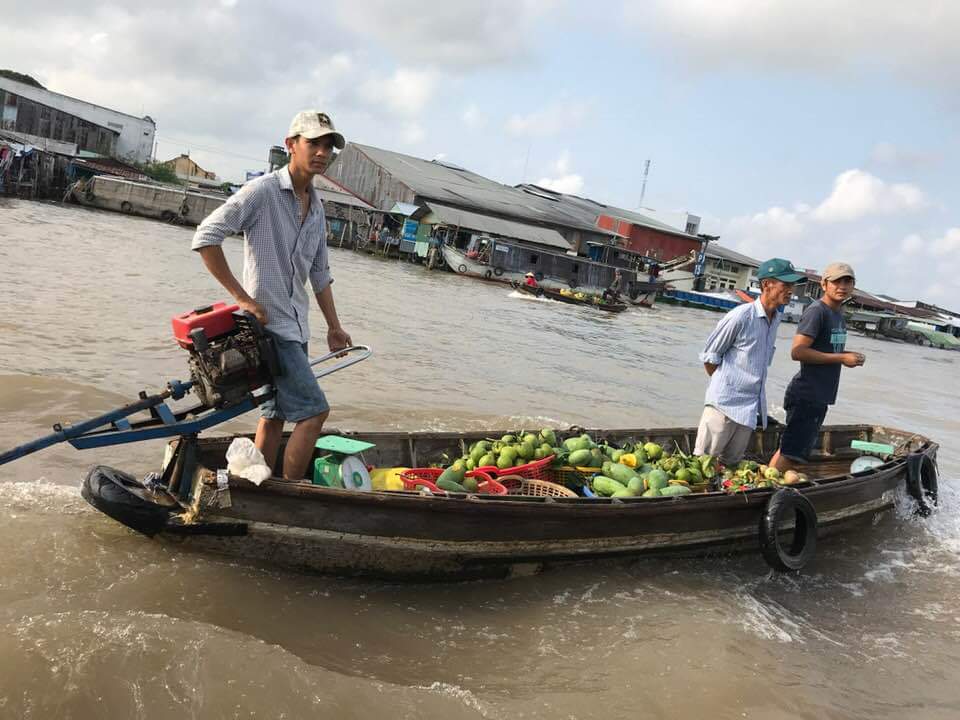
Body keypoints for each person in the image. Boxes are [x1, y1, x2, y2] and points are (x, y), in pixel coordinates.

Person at [191, 110, 352, 481]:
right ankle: (291, 493)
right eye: (313, 143)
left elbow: (319, 273)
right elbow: (206, 237)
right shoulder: (262, 192)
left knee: (274, 413)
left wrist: (334, 327)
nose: (322, 153)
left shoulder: (317, 208)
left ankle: (258, 486)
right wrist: (242, 299)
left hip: (297, 327)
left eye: (328, 146)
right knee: (314, 412)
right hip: (269, 328)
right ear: (291, 144)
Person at [693, 258, 803, 466]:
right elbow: (710, 357)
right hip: (723, 406)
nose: (791, 291)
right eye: (786, 284)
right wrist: (727, 386)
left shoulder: (775, 319)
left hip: (749, 410)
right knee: (704, 465)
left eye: (792, 285)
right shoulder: (741, 316)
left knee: (731, 467)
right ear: (767, 284)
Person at [770, 262, 865, 471]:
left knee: (791, 449)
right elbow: (798, 352)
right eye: (836, 282)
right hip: (807, 394)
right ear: (824, 284)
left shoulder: (837, 314)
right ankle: (769, 487)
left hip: (819, 395)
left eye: (847, 282)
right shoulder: (817, 311)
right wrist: (841, 358)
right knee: (791, 453)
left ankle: (771, 481)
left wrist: (847, 356)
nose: (842, 286)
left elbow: (827, 350)